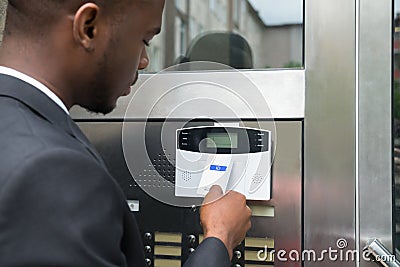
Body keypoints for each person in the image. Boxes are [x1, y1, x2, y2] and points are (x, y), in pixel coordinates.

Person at [0, 0, 252, 266]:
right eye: (144, 39)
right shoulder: (55, 171)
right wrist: (220, 238)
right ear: (88, 28)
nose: (145, 61)